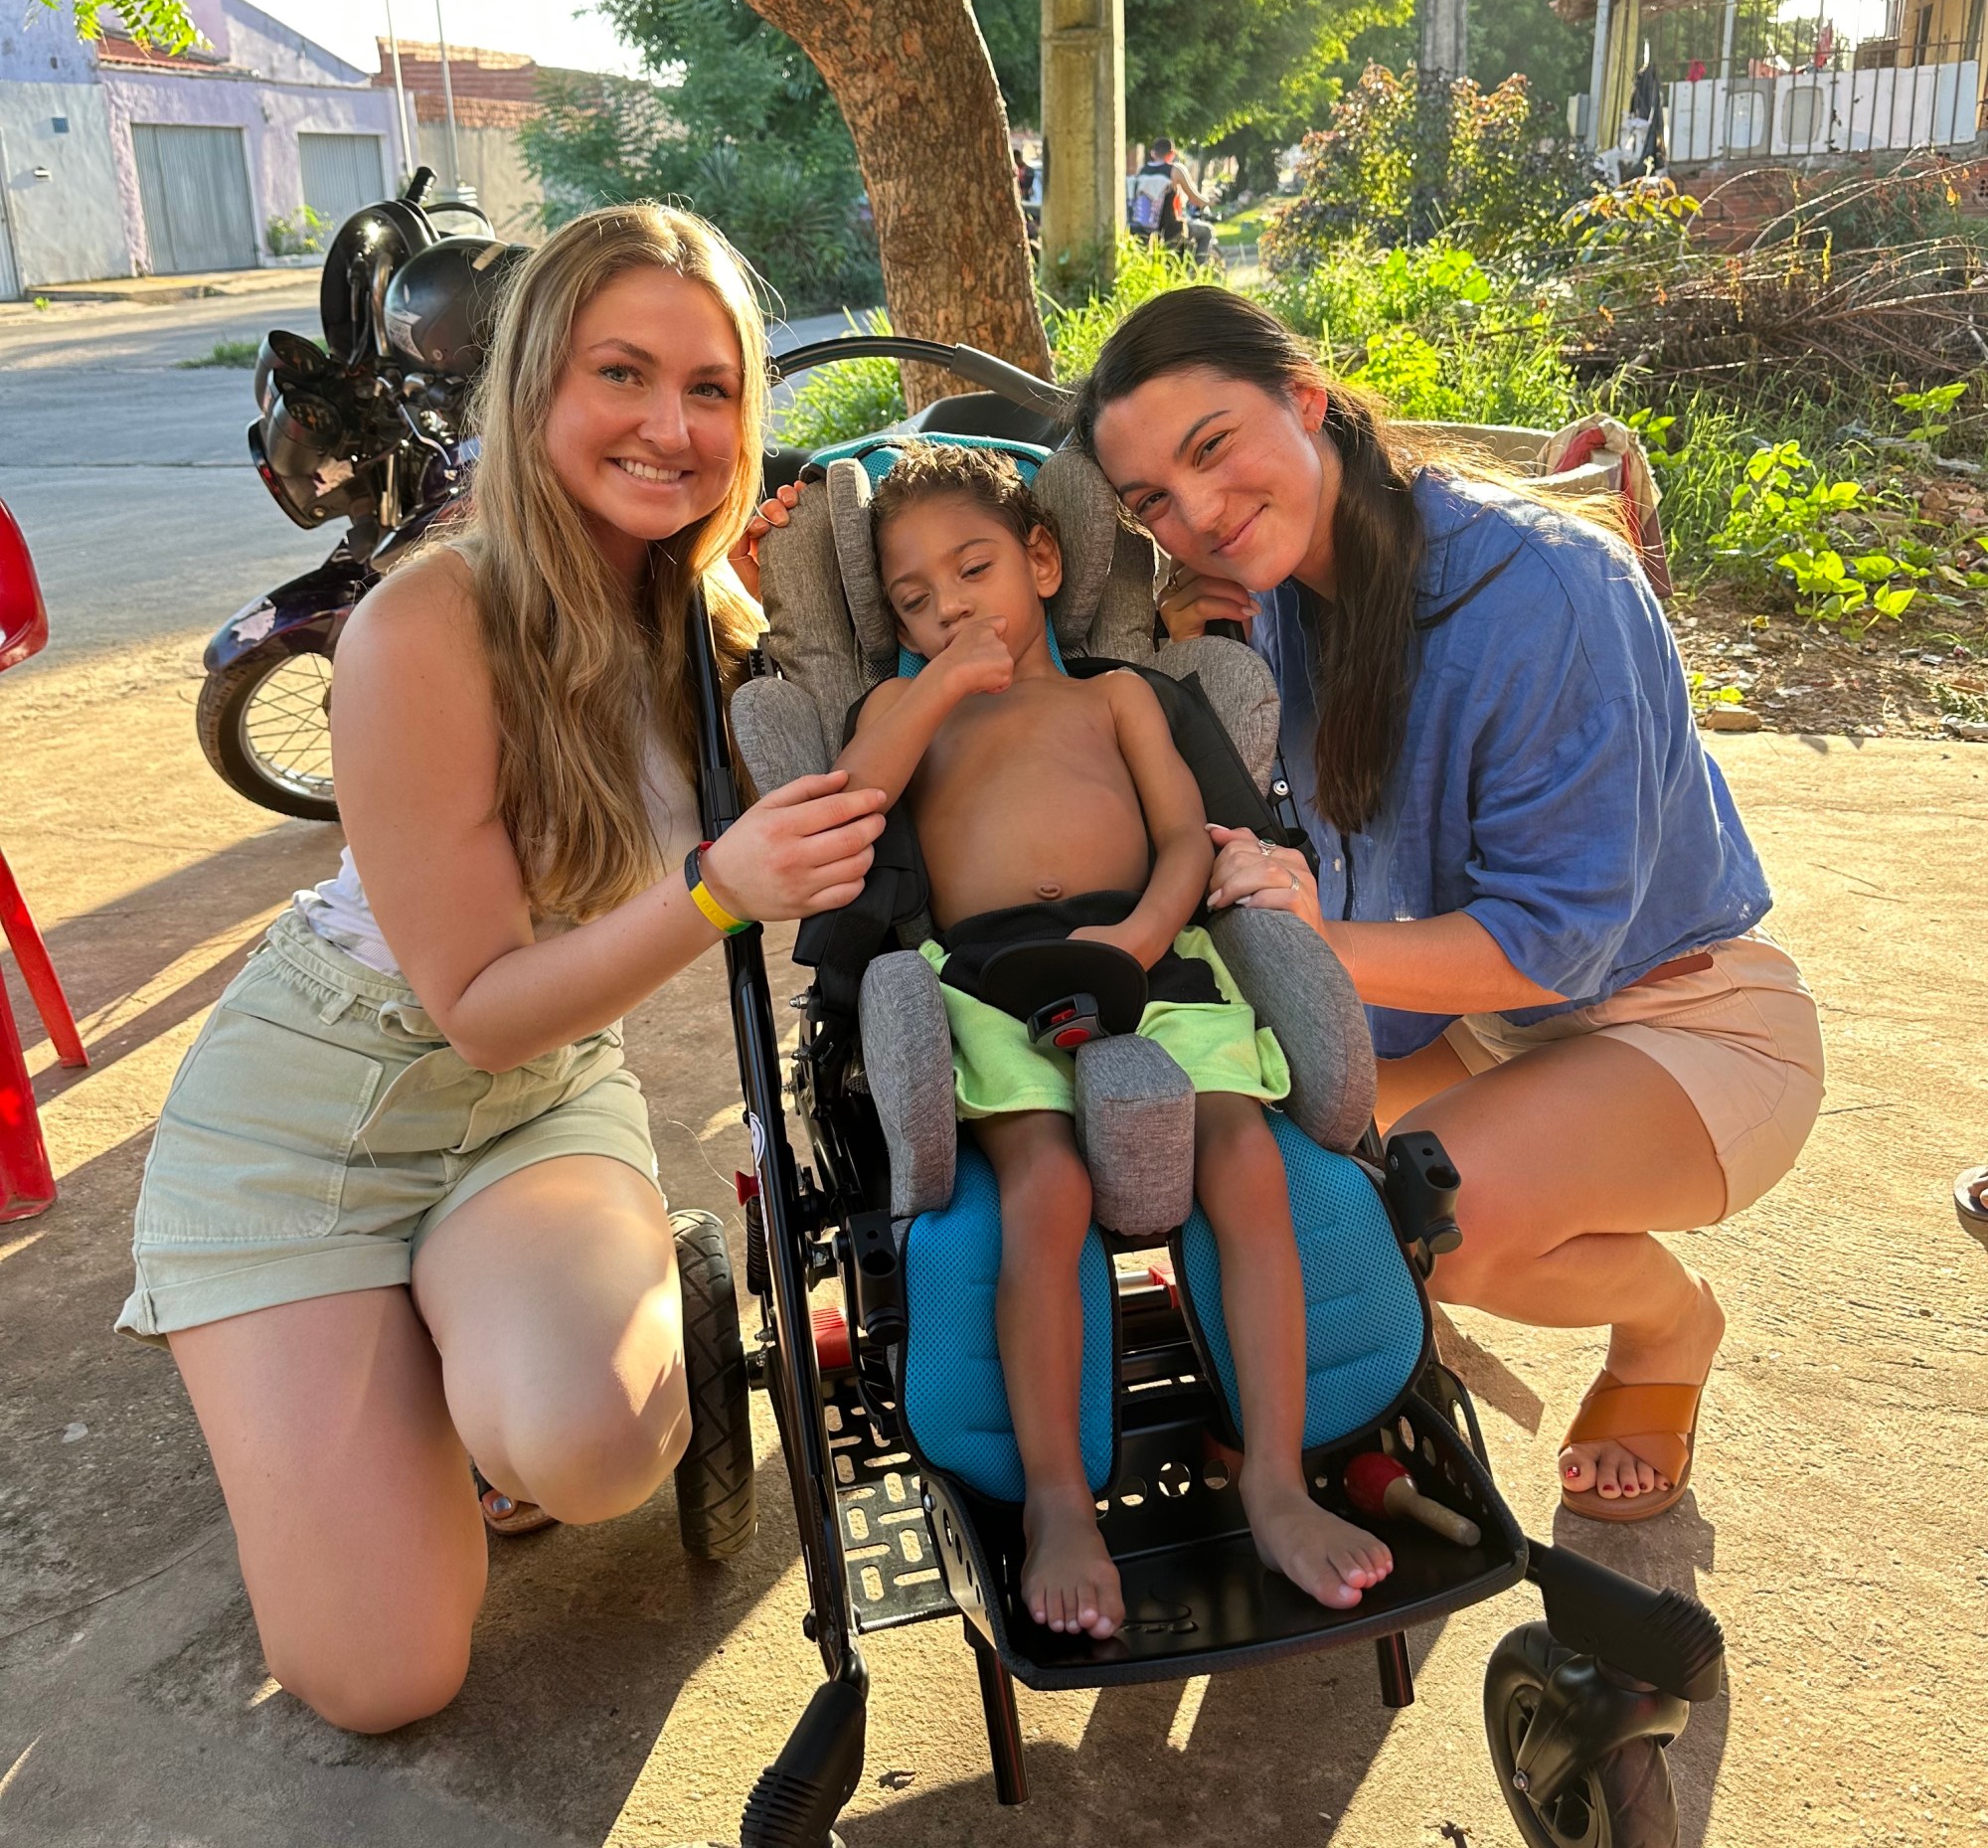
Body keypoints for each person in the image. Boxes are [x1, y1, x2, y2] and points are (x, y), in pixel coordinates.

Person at [117, 204, 889, 1733]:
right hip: (307, 1125)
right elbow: (473, 1007)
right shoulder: (427, 620)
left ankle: (484, 1343)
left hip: (530, 1106)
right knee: (384, 1679)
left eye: (712, 388)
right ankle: (348, 1351)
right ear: (535, 384)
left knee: (592, 1451)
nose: (672, 426)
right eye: (623, 373)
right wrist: (716, 893)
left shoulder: (714, 607)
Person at [1072, 286, 1825, 1524]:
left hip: (1685, 1021)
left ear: (1303, 398)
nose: (1195, 513)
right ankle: (1357, 1343)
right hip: (1473, 1024)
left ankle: (1664, 1321)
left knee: (1432, 1216)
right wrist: (1177, 658)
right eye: (1151, 498)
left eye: (1212, 447)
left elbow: (1551, 941)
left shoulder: (1544, 589)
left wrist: (1318, 941)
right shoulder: (1270, 601)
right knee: (1257, 1149)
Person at [831, 442, 1393, 1638]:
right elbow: (855, 799)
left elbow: (1185, 837)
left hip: (1149, 953)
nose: (948, 608)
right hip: (989, 977)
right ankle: (1055, 1501)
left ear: (1040, 561)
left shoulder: (1114, 697)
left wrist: (1139, 937)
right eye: (914, 599)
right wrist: (933, 687)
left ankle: (1275, 1478)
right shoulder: (897, 713)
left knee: (1242, 1160)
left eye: (972, 570)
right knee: (1045, 1188)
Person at [1128, 137, 1211, 252]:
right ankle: (1195, 264)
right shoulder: (1175, 170)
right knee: (1207, 231)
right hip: (1171, 230)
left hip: (1145, 230)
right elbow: (1195, 199)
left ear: (1153, 153)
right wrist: (1208, 201)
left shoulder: (1143, 171)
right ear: (1172, 154)